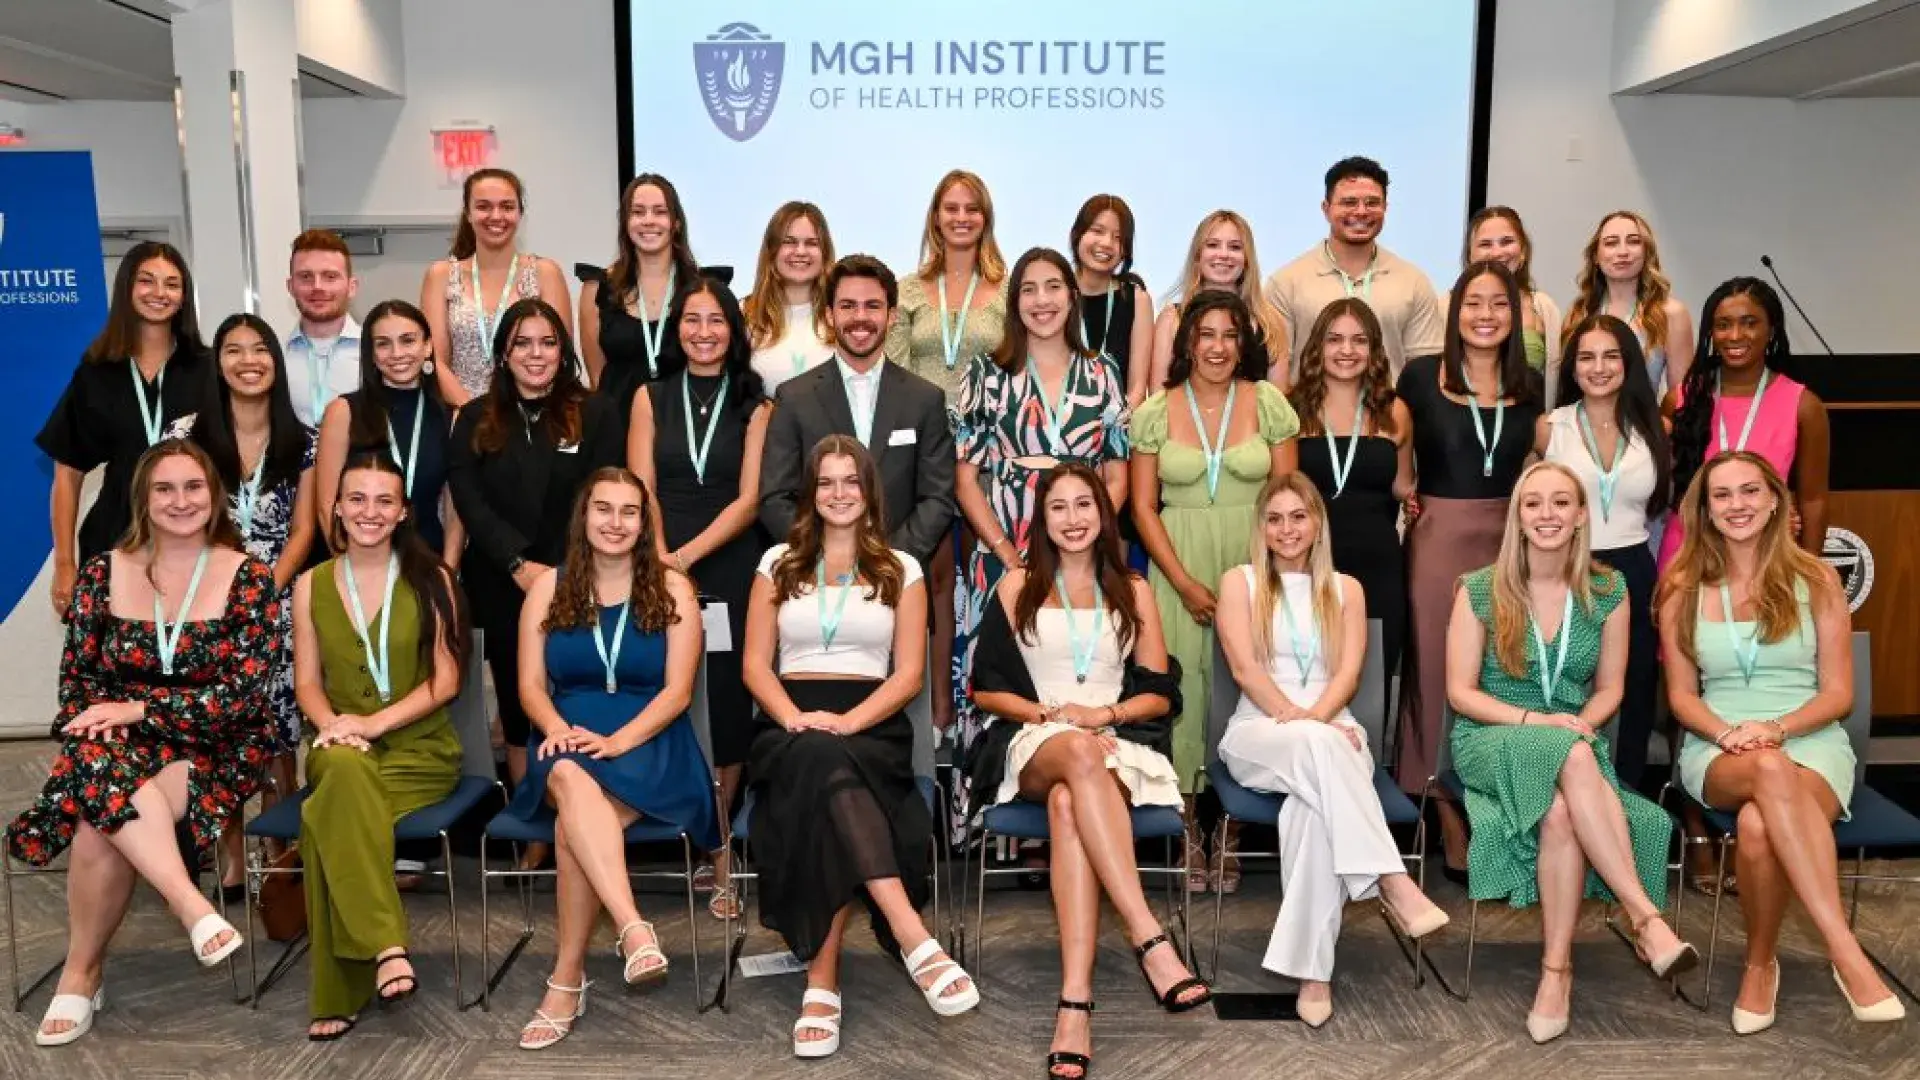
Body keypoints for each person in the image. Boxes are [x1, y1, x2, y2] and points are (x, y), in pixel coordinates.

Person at [9, 440, 278, 1047]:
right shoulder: (103, 573)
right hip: (115, 747)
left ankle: (82, 973)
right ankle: (189, 906)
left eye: (193, 487)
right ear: (143, 499)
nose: (180, 501)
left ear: (215, 496)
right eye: (164, 489)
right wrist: (105, 721)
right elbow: (76, 686)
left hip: (214, 744)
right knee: (101, 798)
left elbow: (242, 697)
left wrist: (139, 707)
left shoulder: (251, 578)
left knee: (96, 811)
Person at [968, 463, 1211, 1078]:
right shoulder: (1014, 586)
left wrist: (1104, 712)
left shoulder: (1136, 590)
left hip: (1111, 740)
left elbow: (1159, 695)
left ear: (1103, 515)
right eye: (1059, 508)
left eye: (1085, 505)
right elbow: (985, 689)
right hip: (1035, 738)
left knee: (1070, 803)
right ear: (1041, 520)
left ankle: (1074, 1003)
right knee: (1074, 754)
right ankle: (1149, 937)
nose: (1073, 519)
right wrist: (1049, 712)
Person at [1444, 461, 1696, 1044]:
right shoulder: (1479, 589)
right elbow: (1461, 693)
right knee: (1574, 757)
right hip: (1493, 736)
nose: (1547, 515)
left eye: (1561, 503)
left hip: (1574, 738)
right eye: (1534, 504)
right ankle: (1646, 919)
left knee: (1559, 811)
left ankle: (1555, 973)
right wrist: (1539, 722)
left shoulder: (1609, 591)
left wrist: (1576, 725)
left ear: (1583, 515)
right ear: (1518, 516)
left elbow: (1612, 688)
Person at [743, 436, 978, 1059]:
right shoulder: (776, 561)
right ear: (810, 492)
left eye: (851, 481)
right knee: (817, 761)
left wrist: (847, 724)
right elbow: (754, 667)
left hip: (872, 725)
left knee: (829, 772)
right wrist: (797, 717)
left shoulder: (905, 567)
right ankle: (913, 937)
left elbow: (907, 675)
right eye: (826, 482)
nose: (839, 493)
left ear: (869, 490)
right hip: (788, 724)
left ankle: (822, 985)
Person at [1658, 451, 1903, 1030]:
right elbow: (1683, 698)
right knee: (1766, 770)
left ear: (1775, 501)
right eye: (1722, 495)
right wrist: (1727, 733)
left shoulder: (1817, 578)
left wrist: (1776, 729)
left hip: (1809, 738)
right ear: (1707, 509)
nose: (1737, 505)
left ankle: (1760, 965)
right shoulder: (1681, 587)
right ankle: (1846, 951)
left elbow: (1838, 693)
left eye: (1749, 491)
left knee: (1756, 825)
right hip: (1717, 746)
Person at [1216, 473, 1448, 1027]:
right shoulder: (1240, 582)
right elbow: (1246, 668)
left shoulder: (1346, 588)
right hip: (1260, 732)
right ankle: (1391, 879)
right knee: (1317, 755)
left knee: (1311, 813)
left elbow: (1348, 674)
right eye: (1275, 518)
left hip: (1333, 731)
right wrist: (1298, 720)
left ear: (1317, 521)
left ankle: (1314, 975)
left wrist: (1317, 720)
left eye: (1298, 516)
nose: (1287, 529)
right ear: (1261, 527)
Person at [508, 468, 724, 1049]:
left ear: (644, 522)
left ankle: (567, 979)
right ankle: (632, 930)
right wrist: (556, 729)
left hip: (652, 738)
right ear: (584, 517)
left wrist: (621, 740)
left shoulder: (675, 587)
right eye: (603, 509)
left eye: (629, 512)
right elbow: (529, 686)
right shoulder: (547, 589)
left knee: (571, 827)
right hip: (567, 736)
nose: (615, 522)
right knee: (572, 778)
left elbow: (679, 691)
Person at [292, 451, 469, 1040]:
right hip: (337, 741)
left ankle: (338, 992)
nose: (370, 511)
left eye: (384, 500)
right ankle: (387, 946)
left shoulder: (432, 578)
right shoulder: (308, 585)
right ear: (337, 508)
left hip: (419, 752)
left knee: (328, 817)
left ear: (402, 513)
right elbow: (308, 685)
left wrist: (372, 725)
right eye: (357, 499)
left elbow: (447, 682)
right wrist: (335, 725)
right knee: (340, 774)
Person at [1130, 290, 1300, 891]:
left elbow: (1289, 504)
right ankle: (1183, 831)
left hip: (1253, 566)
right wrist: (1181, 582)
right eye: (1206, 334)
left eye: (1230, 335)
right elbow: (1143, 507)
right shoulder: (1155, 410)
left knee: (1242, 689)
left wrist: (1256, 581)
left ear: (1244, 343)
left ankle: (1229, 830)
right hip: (1175, 565)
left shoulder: (1270, 403)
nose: (1218, 347)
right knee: (1184, 692)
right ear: (1188, 343)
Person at [448, 298, 625, 860]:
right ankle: (535, 824)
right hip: (502, 583)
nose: (536, 354)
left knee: (575, 693)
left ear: (563, 349)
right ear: (503, 352)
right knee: (523, 706)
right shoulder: (474, 418)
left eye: (548, 342)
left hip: (580, 576)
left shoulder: (594, 412)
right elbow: (470, 503)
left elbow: (601, 494)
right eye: (523, 343)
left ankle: (583, 814)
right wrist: (518, 565)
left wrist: (562, 571)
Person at [1397, 260, 1545, 881]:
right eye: (1473, 303)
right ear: (1454, 313)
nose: (1485, 315)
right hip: (1438, 542)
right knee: (1434, 673)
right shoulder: (1419, 378)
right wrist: (1406, 496)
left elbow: (1540, 458)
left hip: (1508, 545)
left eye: (1499, 304)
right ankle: (1442, 804)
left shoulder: (1532, 383)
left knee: (1498, 672)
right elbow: (1398, 458)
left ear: (1516, 315)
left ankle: (1493, 795)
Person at [628, 276, 770, 918]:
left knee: (728, 703)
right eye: (692, 320)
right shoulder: (651, 397)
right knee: (673, 696)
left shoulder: (756, 405)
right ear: (676, 328)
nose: (704, 333)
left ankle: (721, 852)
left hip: (731, 568)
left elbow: (749, 501)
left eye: (716, 321)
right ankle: (692, 834)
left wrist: (685, 559)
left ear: (733, 331)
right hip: (655, 564)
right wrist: (661, 559)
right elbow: (641, 487)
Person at [952, 247, 1129, 753]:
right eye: (1028, 289)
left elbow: (1116, 477)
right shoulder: (985, 373)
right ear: (1014, 303)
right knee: (998, 687)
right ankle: (985, 818)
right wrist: (1011, 559)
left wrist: (1084, 545)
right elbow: (966, 480)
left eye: (1053, 286)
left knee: (1080, 677)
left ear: (1072, 298)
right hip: (1004, 555)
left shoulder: (1103, 374)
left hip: (1083, 559)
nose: (1041, 300)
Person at [188, 313, 317, 891]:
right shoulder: (183, 438)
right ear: (218, 363)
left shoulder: (304, 439)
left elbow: (304, 532)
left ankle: (284, 850)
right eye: (234, 350)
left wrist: (262, 593)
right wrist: (226, 592)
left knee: (279, 731)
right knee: (218, 735)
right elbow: (175, 519)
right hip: (204, 601)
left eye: (260, 349)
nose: (248, 360)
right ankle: (232, 856)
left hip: (278, 602)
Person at [887, 169, 1009, 732]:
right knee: (931, 581)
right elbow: (894, 367)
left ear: (986, 217)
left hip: (988, 453)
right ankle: (936, 710)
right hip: (923, 448)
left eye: (972, 208)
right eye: (950, 208)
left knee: (983, 581)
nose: (961, 218)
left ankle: (981, 706)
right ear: (935, 217)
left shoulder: (1010, 289)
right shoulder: (908, 289)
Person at [1534, 315, 1669, 791]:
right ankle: (1562, 794)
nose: (1598, 367)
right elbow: (1526, 507)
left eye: (1611, 355)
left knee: (1634, 693)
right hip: (1569, 569)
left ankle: (1626, 799)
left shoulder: (1656, 428)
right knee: (1566, 686)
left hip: (1635, 568)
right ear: (1572, 368)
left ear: (1629, 363)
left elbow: (1671, 507)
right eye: (1587, 357)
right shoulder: (1550, 429)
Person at [39, 241, 207, 617]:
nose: (159, 293)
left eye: (172, 284)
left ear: (184, 296)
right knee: (112, 669)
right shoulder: (98, 371)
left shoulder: (206, 369)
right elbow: (67, 475)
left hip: (193, 547)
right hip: (113, 542)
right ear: (127, 288)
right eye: (147, 281)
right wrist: (65, 562)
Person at [761, 255, 955, 570]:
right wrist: (826, 559)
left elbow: (937, 499)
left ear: (892, 316)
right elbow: (775, 498)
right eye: (848, 306)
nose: (860, 317)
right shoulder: (794, 397)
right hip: (814, 580)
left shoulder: (925, 399)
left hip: (899, 578)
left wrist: (887, 562)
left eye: (872, 306)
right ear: (828, 315)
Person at [1662, 277, 1830, 569]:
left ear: (1771, 330)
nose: (1735, 335)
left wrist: (1812, 574)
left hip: (1768, 558)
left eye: (1750, 323)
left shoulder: (1803, 405)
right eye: (1723, 325)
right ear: (1711, 333)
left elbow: (1813, 500)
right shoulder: (1680, 399)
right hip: (1688, 557)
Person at [1288, 298, 1414, 687]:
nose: (1347, 351)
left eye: (1359, 340)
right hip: (1308, 565)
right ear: (1317, 347)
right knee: (1307, 679)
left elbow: (1403, 485)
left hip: (1379, 567)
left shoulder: (1395, 411)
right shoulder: (1292, 409)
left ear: (1374, 349)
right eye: (1335, 340)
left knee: (1372, 684)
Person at [1266, 157, 1445, 379]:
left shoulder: (1413, 282)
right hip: (1307, 413)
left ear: (1385, 208)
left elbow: (1426, 376)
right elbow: (1276, 378)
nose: (1361, 212)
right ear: (1326, 208)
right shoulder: (1286, 283)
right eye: (1349, 202)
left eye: (1372, 203)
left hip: (1389, 413)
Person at [316, 299, 462, 564]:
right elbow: (327, 505)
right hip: (359, 562)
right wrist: (348, 569)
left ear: (428, 346)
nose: (397, 353)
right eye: (383, 343)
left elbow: (455, 510)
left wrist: (449, 573)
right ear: (371, 353)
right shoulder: (343, 412)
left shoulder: (450, 418)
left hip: (429, 562)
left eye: (408, 340)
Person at [422, 168, 572, 407]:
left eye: (507, 206)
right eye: (483, 206)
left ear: (520, 213)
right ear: (468, 213)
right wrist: (472, 413)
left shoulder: (546, 273)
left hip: (532, 414)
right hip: (462, 414)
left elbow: (560, 354)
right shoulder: (441, 276)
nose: (496, 215)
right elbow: (434, 359)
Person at [580, 174, 702, 417]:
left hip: (685, 430)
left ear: (676, 222)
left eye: (659, 212)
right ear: (625, 222)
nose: (648, 221)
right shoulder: (597, 290)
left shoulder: (701, 289)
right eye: (638, 212)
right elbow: (597, 377)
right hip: (617, 430)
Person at [1148, 210, 1289, 390]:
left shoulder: (1270, 322)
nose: (1223, 254)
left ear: (1247, 259)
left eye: (1235, 247)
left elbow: (1278, 406)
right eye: (1213, 245)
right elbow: (1157, 399)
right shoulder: (1171, 320)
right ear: (1198, 255)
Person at [1561, 211, 1693, 399]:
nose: (1623, 252)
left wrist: (1658, 425)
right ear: (1596, 257)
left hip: (1643, 425)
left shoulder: (1671, 313)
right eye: (1611, 243)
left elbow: (1681, 396)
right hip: (1584, 426)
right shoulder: (1579, 313)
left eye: (1633, 241)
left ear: (1647, 252)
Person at [1457, 208, 1563, 396]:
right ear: (1469, 255)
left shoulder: (1544, 307)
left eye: (1506, 242)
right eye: (1485, 244)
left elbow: (1555, 381)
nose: (1497, 252)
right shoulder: (1446, 306)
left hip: (1528, 421)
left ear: (1523, 251)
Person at [1069, 194, 1155, 406]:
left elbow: (1137, 388)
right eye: (1097, 231)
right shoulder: (1055, 293)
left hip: (1115, 428)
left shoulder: (1137, 299)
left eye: (1118, 238)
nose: (1107, 243)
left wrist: (1118, 428)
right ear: (1078, 234)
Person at [744, 200, 837, 396]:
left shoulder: (842, 314)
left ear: (825, 252)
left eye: (811, 243)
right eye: (789, 242)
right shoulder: (744, 313)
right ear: (772, 251)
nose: (800, 252)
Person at [282, 228, 363, 427]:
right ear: (290, 287)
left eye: (330, 276)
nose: (318, 287)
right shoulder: (274, 357)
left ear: (352, 287)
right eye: (306, 277)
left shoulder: (377, 354)